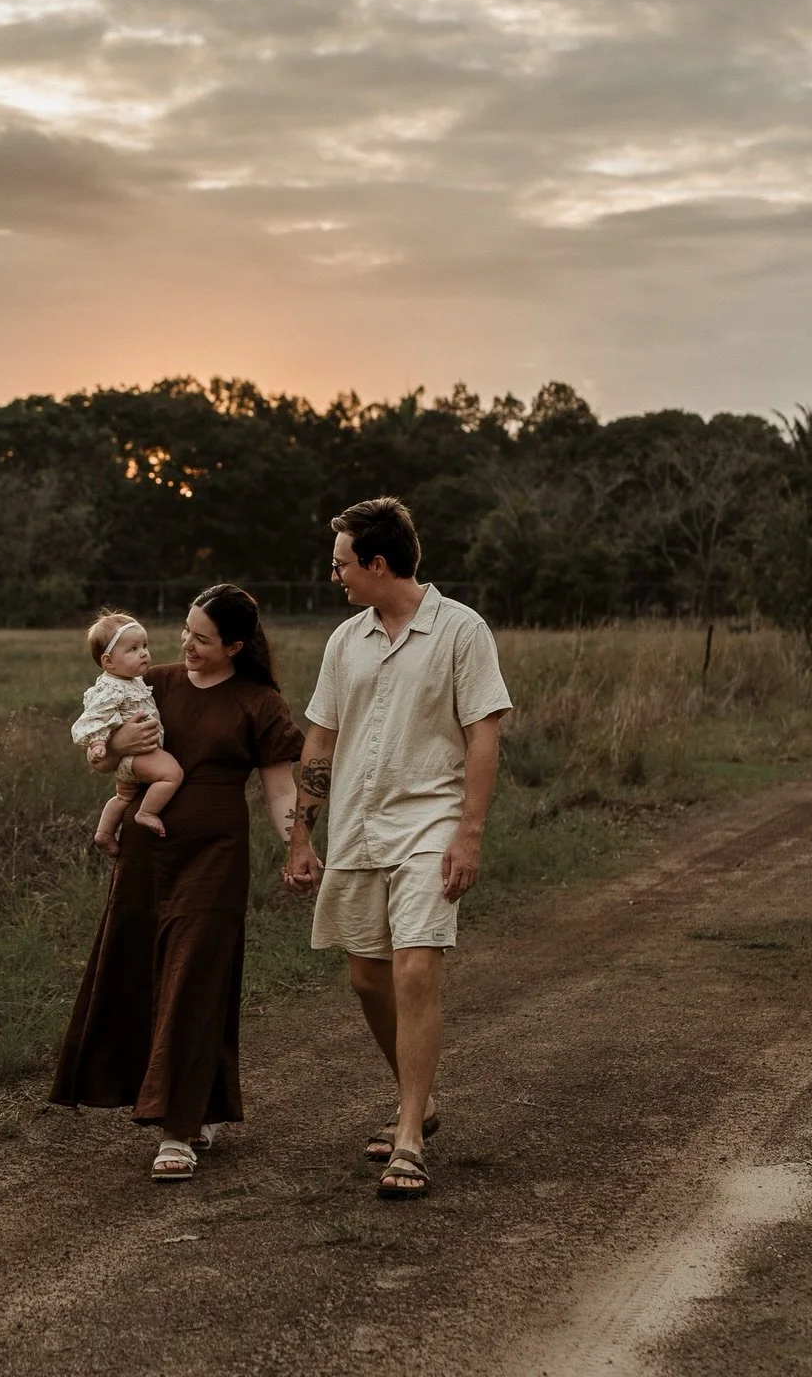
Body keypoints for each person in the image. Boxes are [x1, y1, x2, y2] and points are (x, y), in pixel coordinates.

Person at [284, 497, 511, 1202]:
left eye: (341, 564)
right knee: (366, 978)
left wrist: (468, 832)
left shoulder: (460, 630)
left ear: (378, 564)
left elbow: (483, 735)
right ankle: (422, 1097)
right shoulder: (345, 640)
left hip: (430, 822)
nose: (335, 576)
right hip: (357, 824)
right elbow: (319, 741)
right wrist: (301, 835)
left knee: (416, 969)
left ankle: (409, 1136)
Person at [51, 584, 302, 1182]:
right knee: (145, 971)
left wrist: (299, 844)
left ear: (236, 645)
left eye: (202, 638)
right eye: (186, 631)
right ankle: (197, 1100)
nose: (185, 644)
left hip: (215, 855)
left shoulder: (259, 702)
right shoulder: (152, 681)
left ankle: (177, 1130)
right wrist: (114, 744)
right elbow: (103, 752)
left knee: (195, 975)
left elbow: (280, 787)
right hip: (148, 853)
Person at [72, 612, 185, 855]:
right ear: (109, 662)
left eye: (145, 646)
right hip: (139, 755)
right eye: (133, 649)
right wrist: (99, 743)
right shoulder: (111, 687)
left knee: (123, 797)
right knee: (171, 774)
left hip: (130, 759)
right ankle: (146, 812)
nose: (144, 653)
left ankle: (104, 832)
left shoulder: (132, 680)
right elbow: (96, 716)